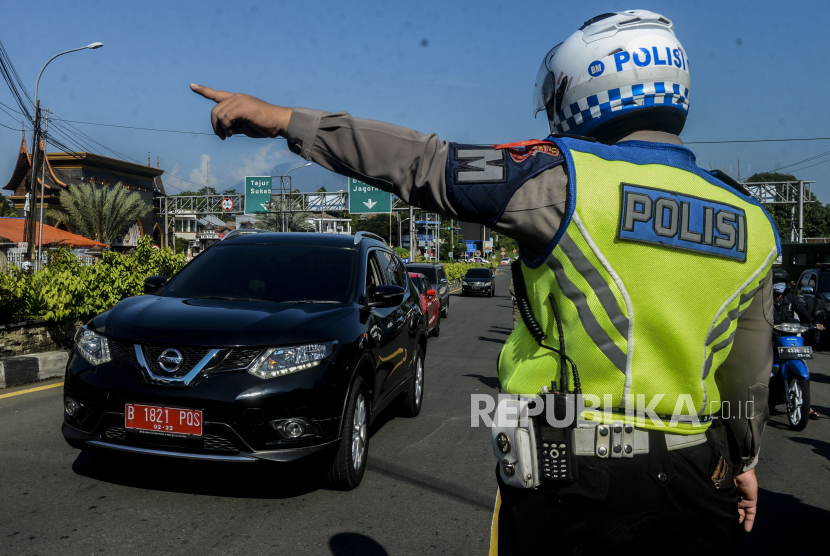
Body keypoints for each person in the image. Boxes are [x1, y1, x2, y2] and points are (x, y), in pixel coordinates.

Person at [191, 10, 776, 554]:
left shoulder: (559, 178)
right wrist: (743, 460)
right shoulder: (749, 219)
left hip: (576, 484)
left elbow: (422, 163)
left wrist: (284, 120)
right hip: (701, 477)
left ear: (585, 90)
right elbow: (747, 373)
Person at [772, 281, 823, 419]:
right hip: (770, 338)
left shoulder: (791, 298)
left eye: (783, 282)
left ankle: (807, 405)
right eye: (777, 281)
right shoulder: (765, 299)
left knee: (804, 367)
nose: (779, 285)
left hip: (790, 338)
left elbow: (801, 310)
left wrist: (813, 322)